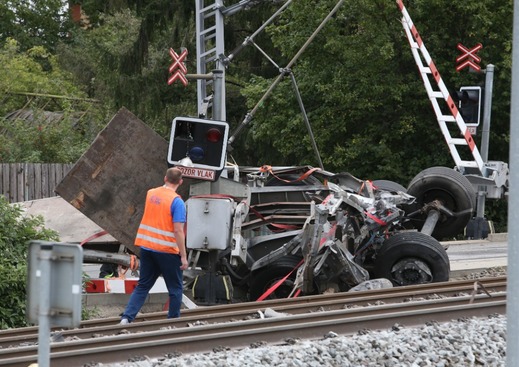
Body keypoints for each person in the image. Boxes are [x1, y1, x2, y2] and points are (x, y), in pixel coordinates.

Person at [120, 167, 188, 324]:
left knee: (143, 286)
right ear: (181, 182)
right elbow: (178, 230)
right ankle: (173, 323)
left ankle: (126, 318)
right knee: (175, 289)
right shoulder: (177, 202)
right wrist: (183, 256)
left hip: (147, 247)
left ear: (165, 178)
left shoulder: (151, 193)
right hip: (167, 251)